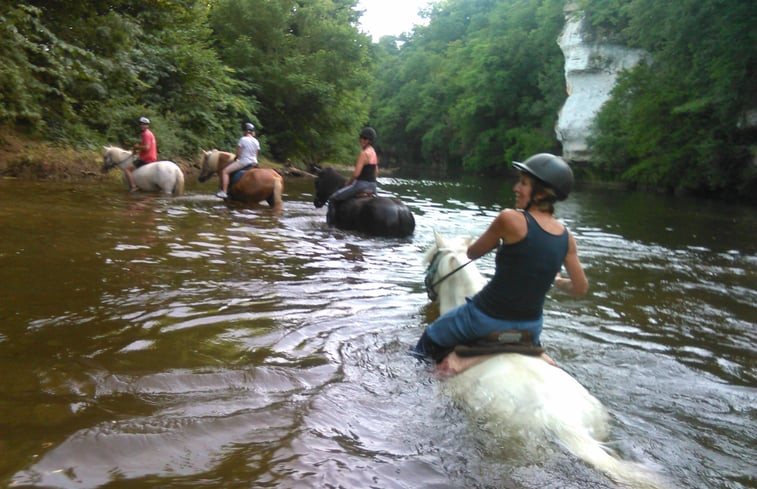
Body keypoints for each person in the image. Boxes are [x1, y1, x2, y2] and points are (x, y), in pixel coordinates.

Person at [413, 153, 589, 368]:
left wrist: (497, 240)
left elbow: (472, 253)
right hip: (531, 328)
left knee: (429, 338)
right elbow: (580, 288)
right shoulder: (567, 237)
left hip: (484, 318)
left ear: (542, 193)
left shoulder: (509, 219)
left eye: (523, 183)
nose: (516, 188)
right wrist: (559, 281)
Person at [328, 127, 378, 202]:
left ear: (370, 141)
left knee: (333, 198)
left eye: (365, 139)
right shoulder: (373, 152)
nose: (362, 140)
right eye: (361, 137)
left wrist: (348, 183)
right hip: (373, 187)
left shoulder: (364, 153)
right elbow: (376, 171)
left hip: (360, 185)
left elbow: (356, 174)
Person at [216, 122, 260, 199]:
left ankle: (224, 192)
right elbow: (256, 154)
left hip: (244, 162)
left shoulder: (243, 139)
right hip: (254, 163)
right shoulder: (256, 141)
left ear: (245, 131)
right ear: (252, 131)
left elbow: (239, 154)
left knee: (225, 171)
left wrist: (236, 158)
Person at [125, 116, 158, 192]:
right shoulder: (150, 133)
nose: (142, 125)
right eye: (141, 124)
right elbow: (146, 148)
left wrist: (137, 147)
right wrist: (139, 150)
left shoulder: (145, 134)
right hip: (153, 157)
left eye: (144, 124)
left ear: (147, 125)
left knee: (127, 169)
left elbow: (147, 148)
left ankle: (133, 186)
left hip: (146, 158)